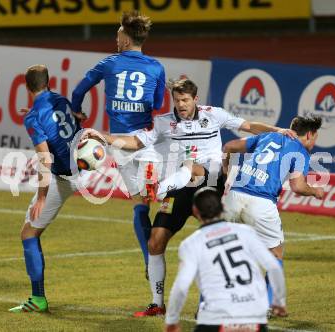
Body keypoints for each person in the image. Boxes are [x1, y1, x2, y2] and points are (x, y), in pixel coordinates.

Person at [97, 78, 294, 316]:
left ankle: (216, 302)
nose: (180, 105)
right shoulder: (164, 123)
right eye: (177, 100)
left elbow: (249, 126)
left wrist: (279, 131)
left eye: (185, 100)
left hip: (211, 185)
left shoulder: (214, 115)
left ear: (195, 99)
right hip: (182, 188)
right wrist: (104, 137)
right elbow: (135, 142)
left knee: (215, 242)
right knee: (155, 242)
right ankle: (157, 304)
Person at [71, 11, 166, 272]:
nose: (116, 37)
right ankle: (155, 255)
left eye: (118, 33)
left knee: (140, 205)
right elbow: (157, 104)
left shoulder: (109, 63)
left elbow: (78, 90)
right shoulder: (156, 67)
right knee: (158, 199)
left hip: (120, 146)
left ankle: (150, 260)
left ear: (125, 39)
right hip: (145, 143)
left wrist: (78, 111)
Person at [222, 116, 324, 306]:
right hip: (261, 203)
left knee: (222, 252)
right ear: (309, 134)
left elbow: (229, 146)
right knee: (275, 255)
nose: (315, 140)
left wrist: (225, 172)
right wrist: (315, 191)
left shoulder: (268, 136)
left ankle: (208, 304)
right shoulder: (300, 151)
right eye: (316, 135)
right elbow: (298, 186)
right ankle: (267, 306)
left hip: (233, 198)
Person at [9, 65, 83, 313]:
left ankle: (38, 299)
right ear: (48, 83)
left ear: (27, 87)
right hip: (79, 167)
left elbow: (45, 159)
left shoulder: (33, 118)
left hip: (62, 177)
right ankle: (37, 297)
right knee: (31, 232)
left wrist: (42, 196)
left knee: (28, 233)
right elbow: (71, 121)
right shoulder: (59, 98)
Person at [164, 187, 287, 332]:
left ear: (195, 211)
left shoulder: (191, 243)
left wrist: (172, 319)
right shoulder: (246, 232)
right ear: (223, 207)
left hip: (216, 319)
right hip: (254, 318)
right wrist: (278, 301)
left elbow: (181, 286)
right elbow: (274, 266)